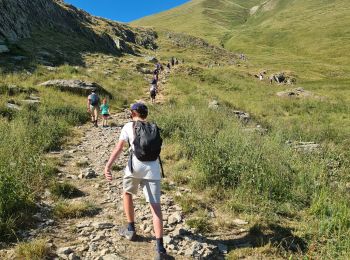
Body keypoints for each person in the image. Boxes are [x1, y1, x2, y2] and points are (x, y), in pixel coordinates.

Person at [104, 103, 167, 260]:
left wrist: (108, 166)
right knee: (155, 207)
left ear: (133, 113)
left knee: (127, 193)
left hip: (134, 168)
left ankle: (131, 228)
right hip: (152, 169)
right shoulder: (154, 127)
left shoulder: (128, 126)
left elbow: (119, 148)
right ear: (145, 114)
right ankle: (160, 249)